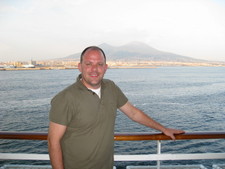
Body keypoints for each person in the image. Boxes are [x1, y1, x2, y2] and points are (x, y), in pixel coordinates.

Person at [48, 46, 185, 169]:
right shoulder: (65, 98)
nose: (94, 69)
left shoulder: (111, 88)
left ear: (105, 67)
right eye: (88, 64)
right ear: (80, 66)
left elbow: (133, 113)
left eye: (99, 64)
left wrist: (163, 129)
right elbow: (53, 141)